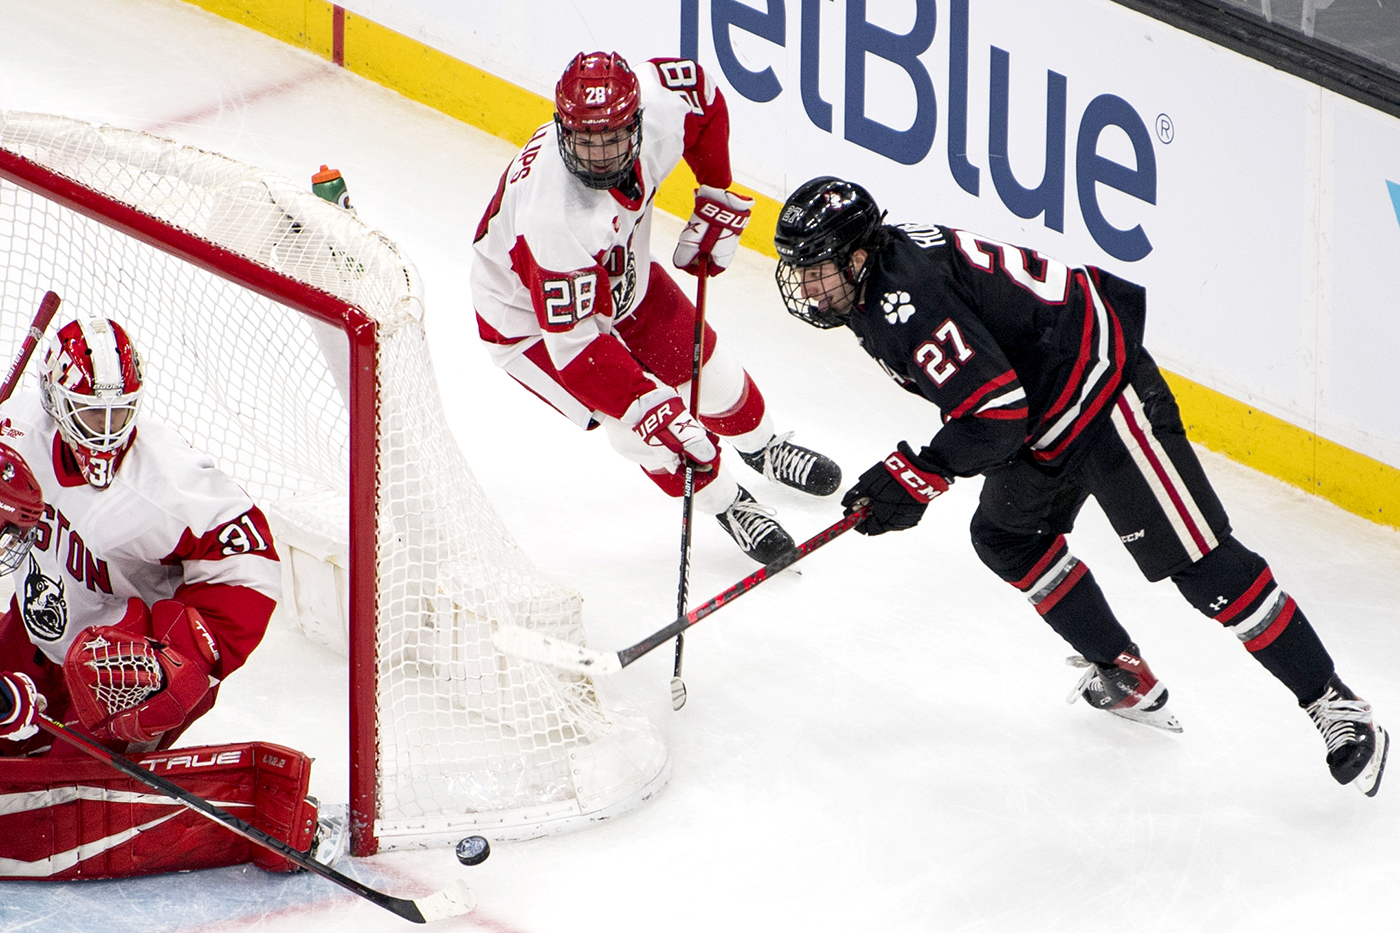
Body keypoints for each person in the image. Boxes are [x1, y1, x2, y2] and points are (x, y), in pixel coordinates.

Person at [771, 175, 1388, 797]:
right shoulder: (873, 288)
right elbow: (993, 401)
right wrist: (917, 475)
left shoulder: (907, 297)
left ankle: (1335, 703)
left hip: (1100, 389)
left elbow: (994, 414)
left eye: (817, 270)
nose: (806, 287)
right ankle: (1124, 674)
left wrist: (920, 474)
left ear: (856, 255)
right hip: (1042, 403)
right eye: (799, 273)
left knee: (1202, 566)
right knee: (1006, 536)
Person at [471, 51, 841, 564]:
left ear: (639, 119)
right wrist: (652, 410)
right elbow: (579, 353)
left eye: (613, 138)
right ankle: (730, 504)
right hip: (530, 324)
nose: (600, 156)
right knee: (647, 434)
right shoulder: (551, 219)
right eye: (585, 141)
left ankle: (764, 447)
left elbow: (705, 101)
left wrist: (716, 194)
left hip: (618, 270)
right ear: (563, 130)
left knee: (706, 369)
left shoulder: (663, 97)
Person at [0, 313, 324, 878]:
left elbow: (251, 564)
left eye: (117, 413)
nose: (103, 431)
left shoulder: (169, 484)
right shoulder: (17, 428)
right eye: (89, 412)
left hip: (118, 663)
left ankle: (118, 736)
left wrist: (190, 660)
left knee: (47, 800)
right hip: (37, 620)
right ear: (53, 402)